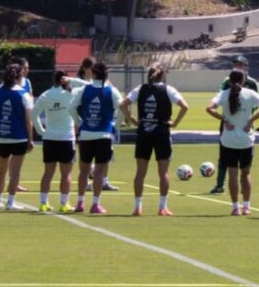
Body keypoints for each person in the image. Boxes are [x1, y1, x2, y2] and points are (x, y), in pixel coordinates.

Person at [121, 64, 189, 217]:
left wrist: (130, 119)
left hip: (144, 131)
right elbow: (185, 106)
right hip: (161, 132)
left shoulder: (140, 89)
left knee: (140, 172)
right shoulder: (168, 89)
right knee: (163, 172)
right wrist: (176, 123)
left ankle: (137, 207)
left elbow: (123, 104)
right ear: (162, 75)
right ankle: (162, 207)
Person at [207, 70, 259, 216]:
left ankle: (236, 207)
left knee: (232, 174)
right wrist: (251, 120)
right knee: (246, 174)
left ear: (229, 80)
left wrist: (224, 120)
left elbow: (209, 108)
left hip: (228, 140)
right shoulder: (250, 94)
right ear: (243, 81)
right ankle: (247, 206)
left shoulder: (223, 94)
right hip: (246, 140)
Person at [69, 62, 123, 214]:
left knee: (84, 170)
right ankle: (95, 204)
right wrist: (115, 126)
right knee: (99, 171)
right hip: (104, 135)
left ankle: (80, 203)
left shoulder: (83, 89)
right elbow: (123, 108)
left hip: (86, 134)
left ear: (93, 73)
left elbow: (71, 107)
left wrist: (80, 123)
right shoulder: (112, 91)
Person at [211, 55, 259, 195]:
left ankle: (243, 193)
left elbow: (258, 104)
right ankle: (220, 184)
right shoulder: (227, 81)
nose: (237, 66)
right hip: (228, 123)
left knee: (245, 162)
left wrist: (248, 116)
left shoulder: (252, 83)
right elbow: (220, 98)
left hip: (246, 124)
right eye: (235, 64)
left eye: (240, 64)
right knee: (224, 155)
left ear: (247, 67)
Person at [0, 63, 36, 210]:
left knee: (1, 169)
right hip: (19, 137)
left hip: (2, 137)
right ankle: (10, 202)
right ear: (19, 76)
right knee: (15, 172)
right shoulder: (23, 94)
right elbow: (28, 120)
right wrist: (30, 139)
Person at [33, 71, 78, 213]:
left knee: (48, 173)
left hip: (50, 138)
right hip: (66, 138)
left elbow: (34, 114)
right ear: (65, 80)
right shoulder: (71, 95)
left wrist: (41, 131)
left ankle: (43, 203)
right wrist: (72, 80)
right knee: (66, 174)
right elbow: (87, 84)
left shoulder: (46, 95)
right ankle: (64, 204)